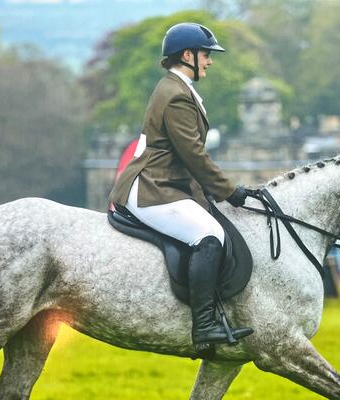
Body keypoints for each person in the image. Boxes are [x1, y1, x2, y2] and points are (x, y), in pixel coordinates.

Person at [109, 22, 253, 352]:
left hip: (165, 184)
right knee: (210, 236)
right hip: (152, 187)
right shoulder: (176, 95)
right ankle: (203, 325)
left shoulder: (177, 88)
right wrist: (230, 191)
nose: (210, 61)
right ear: (187, 55)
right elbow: (194, 155)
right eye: (206, 55)